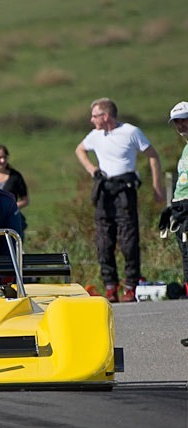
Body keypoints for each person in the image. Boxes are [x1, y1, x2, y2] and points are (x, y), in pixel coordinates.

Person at [75, 98, 164, 303]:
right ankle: (110, 286)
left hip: (125, 189)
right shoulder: (96, 135)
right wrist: (92, 169)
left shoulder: (131, 132)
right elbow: (80, 150)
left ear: (106, 116)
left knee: (128, 240)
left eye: (95, 116)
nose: (92, 120)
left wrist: (157, 188)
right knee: (104, 240)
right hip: (104, 189)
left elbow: (153, 156)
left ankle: (131, 285)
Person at [165, 101, 188, 291]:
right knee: (184, 247)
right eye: (176, 122)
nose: (180, 125)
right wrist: (172, 206)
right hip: (180, 204)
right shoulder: (186, 149)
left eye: (183, 120)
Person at [0, 144, 29, 231]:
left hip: (11, 220)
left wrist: (10, 207)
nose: (2, 160)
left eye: (5, 157)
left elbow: (25, 200)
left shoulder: (15, 176)